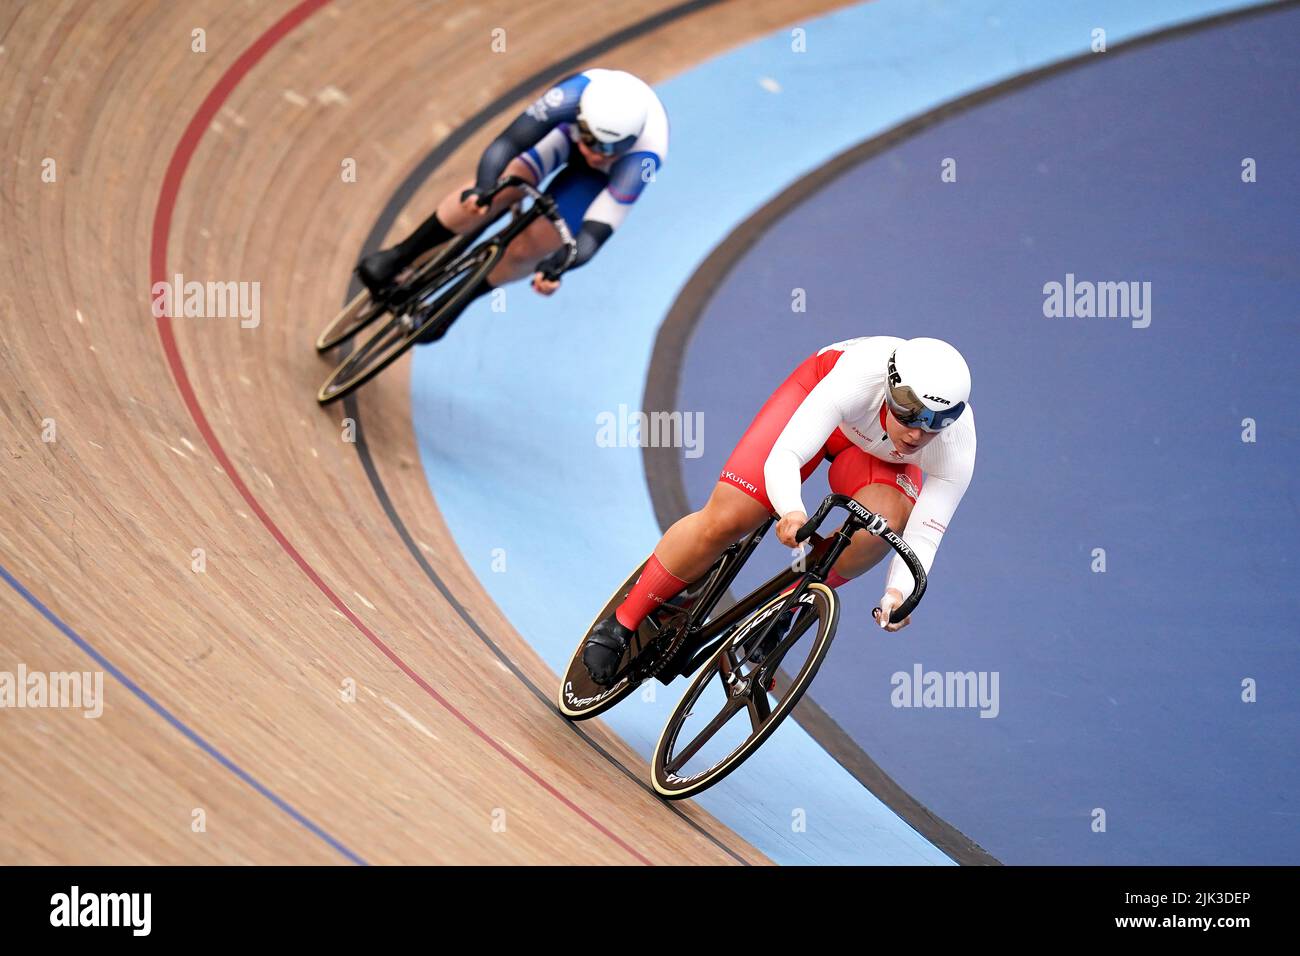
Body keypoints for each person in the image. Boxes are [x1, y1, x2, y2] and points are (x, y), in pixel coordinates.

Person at [582, 335, 977, 685]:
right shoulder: (858, 376)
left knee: (881, 527)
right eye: (911, 416)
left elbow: (923, 534)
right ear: (891, 392)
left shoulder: (955, 445)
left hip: (876, 458)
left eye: (935, 423)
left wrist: (897, 594)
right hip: (818, 404)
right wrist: (790, 510)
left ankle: (785, 604)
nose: (917, 434)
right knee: (729, 518)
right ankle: (623, 621)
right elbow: (786, 454)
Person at [355, 68, 667, 341]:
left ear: (630, 143)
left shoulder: (643, 159)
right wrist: (483, 187)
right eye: (592, 141)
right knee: (500, 187)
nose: (596, 154)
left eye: (610, 149)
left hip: (599, 180)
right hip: (562, 139)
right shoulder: (570, 97)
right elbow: (509, 143)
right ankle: (399, 256)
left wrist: (558, 266)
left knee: (528, 247)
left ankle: (451, 305)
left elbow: (596, 231)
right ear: (582, 119)